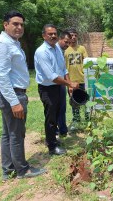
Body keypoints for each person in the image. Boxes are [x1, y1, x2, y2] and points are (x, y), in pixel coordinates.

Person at [0, 10, 46, 180]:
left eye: (21, 24)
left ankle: (8, 169)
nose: (19, 27)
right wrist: (14, 102)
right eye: (15, 24)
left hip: (12, 93)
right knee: (16, 134)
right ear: (5, 24)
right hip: (12, 95)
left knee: (8, 133)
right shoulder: (3, 44)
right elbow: (1, 77)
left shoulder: (13, 43)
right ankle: (22, 170)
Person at [34, 24, 78, 155]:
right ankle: (52, 146)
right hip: (48, 89)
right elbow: (51, 76)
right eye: (50, 34)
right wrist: (70, 83)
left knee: (59, 113)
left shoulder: (57, 49)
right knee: (51, 118)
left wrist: (67, 83)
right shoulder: (42, 52)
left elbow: (63, 68)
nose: (53, 36)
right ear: (44, 36)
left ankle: (54, 138)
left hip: (59, 87)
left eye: (54, 33)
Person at [64, 28, 89, 131]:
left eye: (75, 35)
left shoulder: (82, 48)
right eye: (71, 35)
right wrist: (68, 83)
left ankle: (88, 121)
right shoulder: (65, 51)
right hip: (72, 82)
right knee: (74, 103)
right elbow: (63, 68)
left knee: (87, 102)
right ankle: (76, 121)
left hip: (83, 80)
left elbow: (87, 63)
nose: (73, 37)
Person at [56, 31, 71, 138]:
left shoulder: (61, 51)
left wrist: (69, 84)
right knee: (53, 110)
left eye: (69, 43)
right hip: (52, 85)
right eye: (66, 42)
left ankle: (62, 129)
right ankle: (54, 132)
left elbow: (64, 69)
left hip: (61, 83)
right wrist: (69, 83)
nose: (67, 45)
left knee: (62, 108)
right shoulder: (52, 50)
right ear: (60, 39)